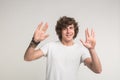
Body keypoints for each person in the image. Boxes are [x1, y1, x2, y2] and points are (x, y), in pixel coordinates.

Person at [24, 16, 102, 80]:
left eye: (71, 28)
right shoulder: (50, 46)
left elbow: (98, 70)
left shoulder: (80, 50)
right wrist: (34, 42)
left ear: (74, 30)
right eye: (65, 28)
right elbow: (28, 57)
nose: (68, 31)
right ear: (60, 31)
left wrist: (92, 49)